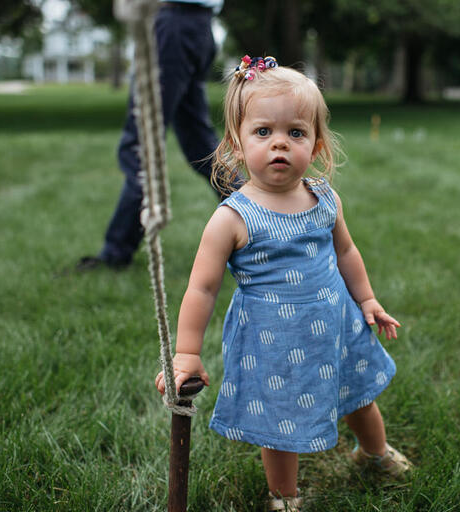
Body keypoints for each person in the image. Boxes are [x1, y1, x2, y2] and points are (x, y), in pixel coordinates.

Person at [154, 56, 412, 511]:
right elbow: (202, 289)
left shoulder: (323, 197)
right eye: (263, 132)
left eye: (295, 132)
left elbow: (347, 252)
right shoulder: (232, 218)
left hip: (335, 327)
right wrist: (187, 353)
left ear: (315, 146)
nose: (279, 144)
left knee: (357, 395)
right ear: (236, 143)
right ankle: (285, 498)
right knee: (280, 424)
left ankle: (374, 453)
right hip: (272, 342)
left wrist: (366, 299)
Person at [77, 0, 224, 271]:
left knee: (140, 144)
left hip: (174, 24)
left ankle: (116, 253)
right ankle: (263, 221)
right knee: (200, 143)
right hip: (198, 24)